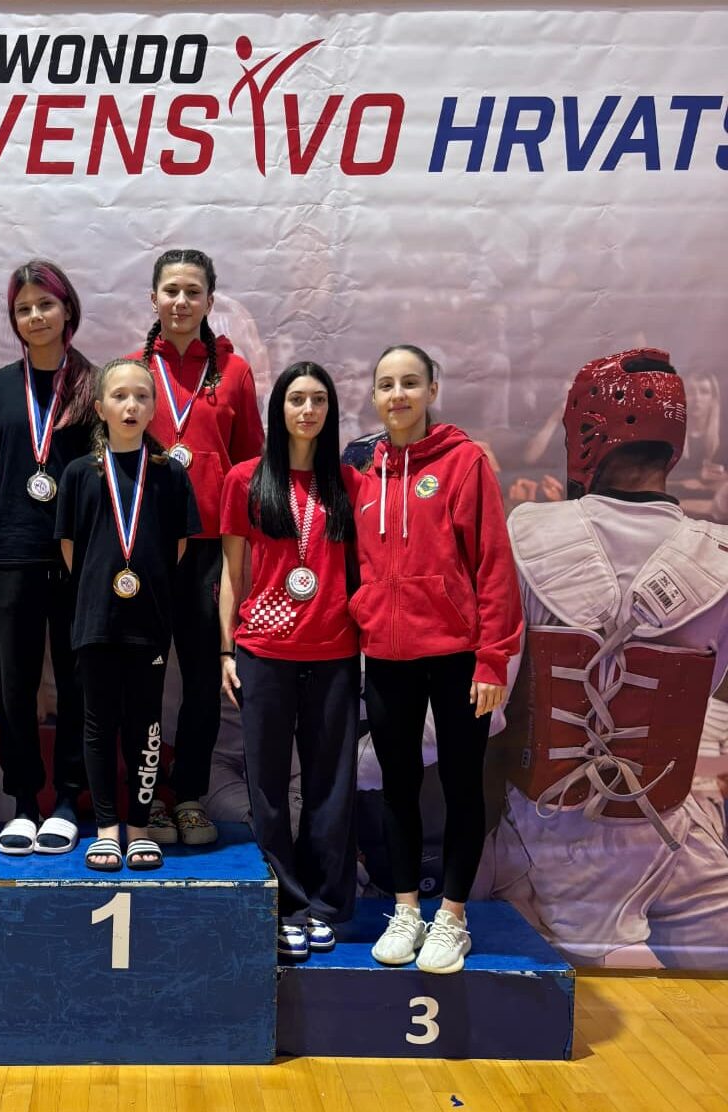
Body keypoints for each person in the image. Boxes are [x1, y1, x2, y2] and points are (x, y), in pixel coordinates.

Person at [481, 348, 728, 969]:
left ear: (584, 433)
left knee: (597, 1007)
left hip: (554, 835)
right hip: (677, 825)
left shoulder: (527, 535)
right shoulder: (718, 558)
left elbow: (487, 703)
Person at [345, 344, 522, 974]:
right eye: (386, 384)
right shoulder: (363, 475)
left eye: (410, 383)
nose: (398, 395)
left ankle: (451, 918)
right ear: (374, 396)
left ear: (432, 390)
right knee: (396, 787)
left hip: (457, 656)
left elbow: (494, 565)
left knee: (460, 785)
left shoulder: (463, 462)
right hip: (386, 657)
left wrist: (493, 659)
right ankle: (406, 911)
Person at [219, 362, 361, 961]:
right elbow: (231, 573)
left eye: (318, 400)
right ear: (278, 408)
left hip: (335, 652)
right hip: (264, 653)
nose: (307, 410)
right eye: (296, 399)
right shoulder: (245, 479)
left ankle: (325, 904)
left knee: (331, 785)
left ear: (331, 411)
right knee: (269, 787)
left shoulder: (349, 482)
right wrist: (226, 648)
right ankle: (284, 904)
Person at [129, 248, 263, 847]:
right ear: (153, 297)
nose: (181, 301)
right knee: (144, 681)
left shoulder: (234, 372)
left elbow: (252, 462)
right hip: (145, 549)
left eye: (192, 292)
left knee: (204, 683)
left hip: (210, 551)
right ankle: (147, 798)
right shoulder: (134, 370)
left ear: (210, 300)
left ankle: (187, 796)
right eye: (171, 290)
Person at [55, 358, 201, 872]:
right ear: (100, 408)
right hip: (95, 618)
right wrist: (103, 586)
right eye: (119, 396)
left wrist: (144, 586)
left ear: (154, 407)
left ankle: (138, 827)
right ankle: (106, 828)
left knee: (146, 724)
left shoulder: (169, 474)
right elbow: (70, 548)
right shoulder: (79, 474)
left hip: (149, 621)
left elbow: (178, 546)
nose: (131, 405)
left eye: (141, 396)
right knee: (98, 724)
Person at [0, 260, 95, 856]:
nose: (36, 316)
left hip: (79, 555)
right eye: (23, 309)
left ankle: (70, 799)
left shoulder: (94, 384)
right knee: (17, 684)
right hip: (12, 551)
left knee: (76, 682)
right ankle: (24, 800)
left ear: (67, 308)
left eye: (45, 304)